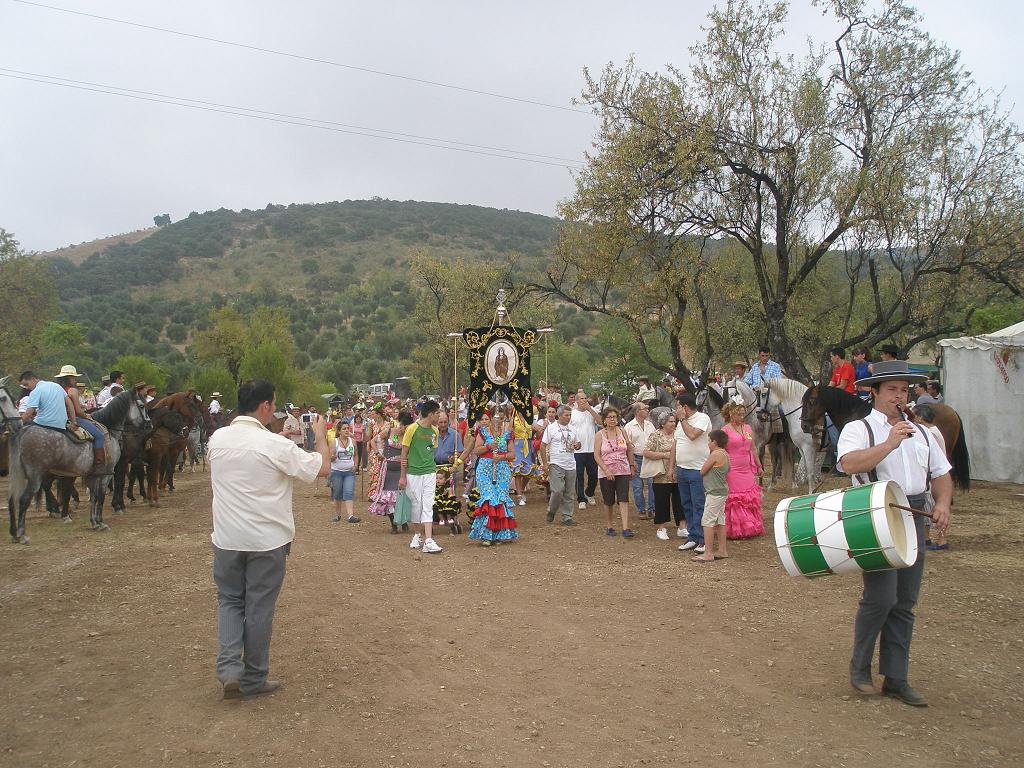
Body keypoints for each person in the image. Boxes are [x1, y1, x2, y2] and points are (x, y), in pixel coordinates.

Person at [837, 360, 952, 707]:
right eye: (891, 390)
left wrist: (942, 503)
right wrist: (889, 443)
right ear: (874, 392)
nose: (899, 396)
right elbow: (848, 464)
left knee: (905, 600)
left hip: (914, 513)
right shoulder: (859, 428)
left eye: (903, 390)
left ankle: (896, 678)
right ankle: (860, 668)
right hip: (877, 515)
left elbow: (941, 473)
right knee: (881, 597)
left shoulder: (925, 433)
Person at [208, 379, 330, 700]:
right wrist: (319, 436)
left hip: (227, 537)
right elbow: (322, 468)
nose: (275, 410)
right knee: (259, 607)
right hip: (266, 540)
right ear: (264, 406)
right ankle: (254, 677)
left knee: (230, 601)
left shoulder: (217, 439)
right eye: (274, 405)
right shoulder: (275, 445)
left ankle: (229, 669)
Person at [467, 411, 518, 546]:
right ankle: (487, 534)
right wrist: (489, 446)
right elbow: (476, 450)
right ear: (491, 419)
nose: (498, 420)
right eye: (495, 418)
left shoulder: (507, 434)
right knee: (489, 497)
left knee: (500, 499)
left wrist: (501, 457)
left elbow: (512, 454)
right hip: (485, 468)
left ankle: (500, 533)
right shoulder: (483, 432)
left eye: (501, 418)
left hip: (502, 470)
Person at [400, 400, 443, 554]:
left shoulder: (435, 431)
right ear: (430, 414)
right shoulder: (412, 429)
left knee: (428, 505)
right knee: (416, 506)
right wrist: (402, 476)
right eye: (437, 413)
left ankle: (428, 540)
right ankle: (417, 534)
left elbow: (431, 450)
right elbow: (404, 453)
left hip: (429, 472)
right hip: (413, 473)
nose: (439, 416)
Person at [720, 402, 764, 539]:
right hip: (732, 468)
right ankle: (735, 529)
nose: (741, 417)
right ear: (731, 414)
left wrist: (759, 465)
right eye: (738, 414)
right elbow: (721, 451)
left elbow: (753, 448)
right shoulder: (725, 430)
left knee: (749, 497)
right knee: (736, 498)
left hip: (747, 467)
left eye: (743, 414)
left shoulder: (747, 428)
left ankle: (750, 526)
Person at [674, 394, 711, 553]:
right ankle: (693, 536)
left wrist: (682, 419)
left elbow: (693, 435)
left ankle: (703, 540)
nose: (676, 410)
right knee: (687, 504)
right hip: (682, 468)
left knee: (699, 504)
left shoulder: (702, 418)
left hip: (698, 469)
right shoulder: (680, 423)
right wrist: (672, 467)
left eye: (678, 406)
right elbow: (676, 443)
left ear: (684, 407)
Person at [595, 406, 637, 537]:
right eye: (609, 417)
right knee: (608, 500)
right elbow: (596, 455)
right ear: (604, 420)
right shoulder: (600, 435)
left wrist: (631, 465)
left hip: (623, 469)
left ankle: (625, 527)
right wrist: (606, 469)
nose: (612, 419)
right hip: (606, 471)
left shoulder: (623, 432)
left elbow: (629, 449)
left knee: (623, 498)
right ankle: (609, 525)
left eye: (614, 417)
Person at [368, 411, 412, 533]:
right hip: (388, 469)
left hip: (402, 470)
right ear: (400, 424)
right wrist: (377, 453)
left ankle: (403, 521)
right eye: (403, 427)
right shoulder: (388, 431)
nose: (404, 430)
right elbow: (372, 441)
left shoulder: (409, 436)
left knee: (401, 496)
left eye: (407, 428)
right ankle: (393, 524)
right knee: (388, 498)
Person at [53, 365, 106, 464]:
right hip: (72, 419)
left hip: (57, 419)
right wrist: (87, 416)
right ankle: (99, 461)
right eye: (73, 377)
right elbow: (78, 411)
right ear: (68, 378)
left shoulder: (56, 389)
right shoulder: (73, 390)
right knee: (99, 436)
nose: (75, 380)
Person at [644, 411, 684, 542]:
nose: (673, 424)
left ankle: (682, 526)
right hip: (661, 474)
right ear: (663, 423)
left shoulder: (678, 434)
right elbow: (646, 452)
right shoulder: (655, 435)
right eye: (670, 421)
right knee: (662, 501)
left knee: (680, 500)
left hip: (678, 473)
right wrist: (664, 455)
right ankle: (661, 528)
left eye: (674, 421)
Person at [693, 429, 730, 562]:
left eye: (709, 441)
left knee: (707, 521)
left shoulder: (715, 454)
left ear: (715, 442)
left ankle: (708, 553)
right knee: (720, 520)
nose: (708, 443)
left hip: (714, 492)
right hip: (721, 491)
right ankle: (722, 550)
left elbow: (702, 471)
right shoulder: (725, 454)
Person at [540, 405, 580, 526]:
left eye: (570, 415)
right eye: (566, 415)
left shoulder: (573, 429)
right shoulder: (551, 428)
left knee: (569, 492)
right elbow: (543, 445)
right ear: (559, 415)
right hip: (556, 463)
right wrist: (545, 463)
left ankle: (567, 516)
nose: (568, 417)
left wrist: (577, 445)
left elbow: (578, 443)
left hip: (570, 463)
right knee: (557, 491)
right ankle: (552, 510)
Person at [623, 402, 655, 521]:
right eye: (644, 408)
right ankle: (641, 509)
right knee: (637, 486)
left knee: (652, 484)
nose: (647, 410)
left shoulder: (650, 425)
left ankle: (652, 508)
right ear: (637, 412)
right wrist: (631, 462)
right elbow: (627, 446)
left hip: (650, 458)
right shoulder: (629, 427)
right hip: (636, 457)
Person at [570, 391, 599, 509]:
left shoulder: (592, 411)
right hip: (578, 450)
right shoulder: (572, 413)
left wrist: (590, 410)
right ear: (576, 401)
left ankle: (589, 493)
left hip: (592, 448)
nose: (584, 400)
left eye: (585, 398)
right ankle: (581, 498)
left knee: (594, 474)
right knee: (579, 474)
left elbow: (601, 422)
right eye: (581, 398)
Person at [329, 421, 359, 524]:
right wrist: (333, 457)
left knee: (349, 492)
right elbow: (330, 457)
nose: (347, 430)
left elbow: (356, 454)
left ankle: (350, 515)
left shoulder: (353, 441)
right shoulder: (335, 442)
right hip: (336, 471)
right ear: (339, 431)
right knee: (337, 493)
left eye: (348, 428)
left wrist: (355, 465)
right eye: (344, 429)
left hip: (349, 471)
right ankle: (337, 515)